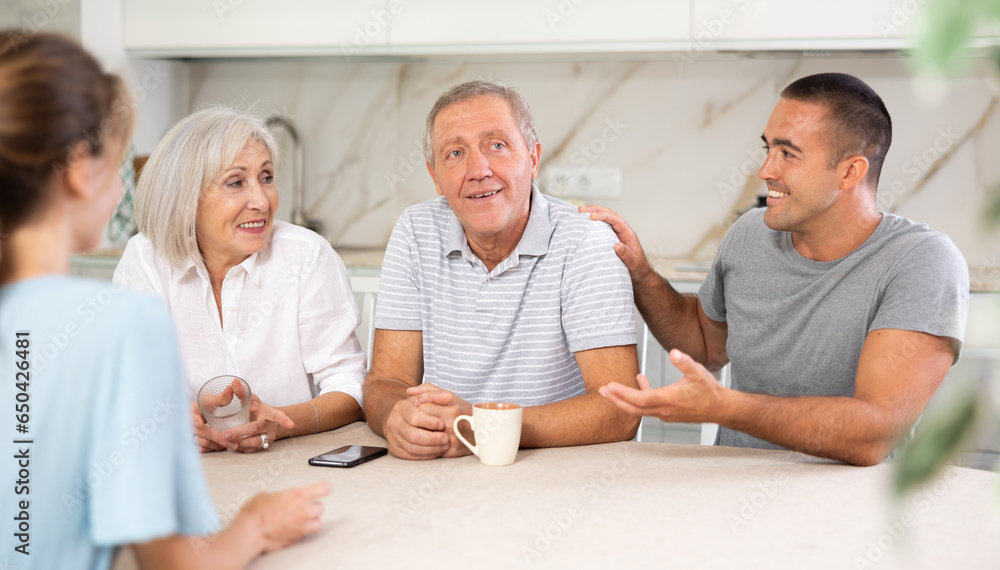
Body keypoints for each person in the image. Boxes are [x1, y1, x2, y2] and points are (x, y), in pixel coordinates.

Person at [0, 32, 329, 570]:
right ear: (82, 172)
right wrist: (256, 524)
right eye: (117, 162)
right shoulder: (123, 323)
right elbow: (173, 564)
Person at [582, 72, 969, 467]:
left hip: (855, 499)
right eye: (768, 148)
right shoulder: (750, 234)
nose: (765, 170)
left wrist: (726, 408)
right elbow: (705, 347)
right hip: (731, 487)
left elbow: (874, 434)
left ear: (850, 172)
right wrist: (643, 275)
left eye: (788, 153)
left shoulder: (922, 261)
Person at [363, 80, 640, 460]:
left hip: (560, 473)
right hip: (444, 469)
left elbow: (621, 410)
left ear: (533, 158)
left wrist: (484, 428)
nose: (478, 170)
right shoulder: (416, 230)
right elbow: (387, 380)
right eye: (455, 153)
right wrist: (395, 417)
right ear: (435, 177)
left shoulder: (585, 240)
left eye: (497, 145)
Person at [113, 106, 366, 453]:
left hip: (292, 461)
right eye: (236, 183)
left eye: (267, 177)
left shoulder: (306, 255)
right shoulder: (146, 259)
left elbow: (350, 386)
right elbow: (128, 383)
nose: (262, 201)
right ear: (185, 198)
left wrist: (281, 423)